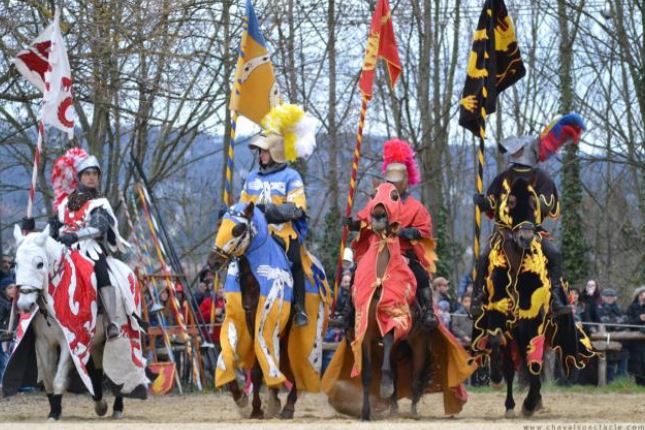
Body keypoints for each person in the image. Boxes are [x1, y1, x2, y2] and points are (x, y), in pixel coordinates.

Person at [472, 115, 586, 318]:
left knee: (554, 255)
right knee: (483, 257)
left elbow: (549, 204)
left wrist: (536, 204)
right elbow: (492, 204)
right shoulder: (503, 177)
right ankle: (477, 297)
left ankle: (555, 298)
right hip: (505, 231)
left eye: (517, 150)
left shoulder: (542, 178)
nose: (514, 153)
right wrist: (483, 202)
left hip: (532, 231)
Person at [22, 150, 130, 339]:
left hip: (91, 249)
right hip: (65, 249)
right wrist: (33, 226)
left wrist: (76, 236)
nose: (91, 178)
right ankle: (32, 314)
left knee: (101, 272)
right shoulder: (65, 203)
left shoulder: (100, 202)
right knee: (39, 269)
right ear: (79, 177)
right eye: (87, 174)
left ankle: (111, 321)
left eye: (94, 174)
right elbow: (53, 227)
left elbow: (99, 227)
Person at [342, 139, 438, 330]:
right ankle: (348, 311)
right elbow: (365, 220)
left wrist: (410, 232)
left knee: (419, 272)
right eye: (389, 181)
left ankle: (427, 310)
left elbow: (424, 230)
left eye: (396, 182)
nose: (392, 184)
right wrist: (353, 223)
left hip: (403, 252)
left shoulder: (415, 207)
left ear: (405, 181)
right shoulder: (377, 202)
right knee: (356, 271)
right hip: (378, 249)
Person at [238, 104, 317, 327]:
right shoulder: (252, 177)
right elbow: (243, 204)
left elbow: (298, 208)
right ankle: (233, 299)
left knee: (295, 261)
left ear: (275, 152)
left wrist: (268, 211)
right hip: (254, 235)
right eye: (260, 151)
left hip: (282, 234)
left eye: (263, 151)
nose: (260, 155)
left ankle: (299, 307)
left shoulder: (291, 176)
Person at [597, 288, 629, 382]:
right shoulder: (599, 309)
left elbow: (625, 320)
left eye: (612, 296)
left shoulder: (620, 309)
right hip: (606, 340)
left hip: (621, 341)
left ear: (615, 298)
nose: (609, 298)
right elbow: (601, 320)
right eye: (607, 296)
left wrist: (617, 325)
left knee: (622, 364)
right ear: (602, 297)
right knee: (608, 365)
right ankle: (608, 384)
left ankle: (621, 384)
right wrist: (615, 323)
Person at [626, 286, 645, 385]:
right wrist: (639, 318)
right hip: (635, 341)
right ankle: (639, 384)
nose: (643, 297)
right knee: (637, 364)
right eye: (642, 294)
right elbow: (628, 323)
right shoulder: (632, 307)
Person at [0, 276, 17, 383]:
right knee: (5, 359)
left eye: (15, 287)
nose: (13, 290)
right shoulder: (2, 303)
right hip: (2, 337)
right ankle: (4, 383)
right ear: (3, 290)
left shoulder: (13, 303)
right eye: (10, 287)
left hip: (8, 337)